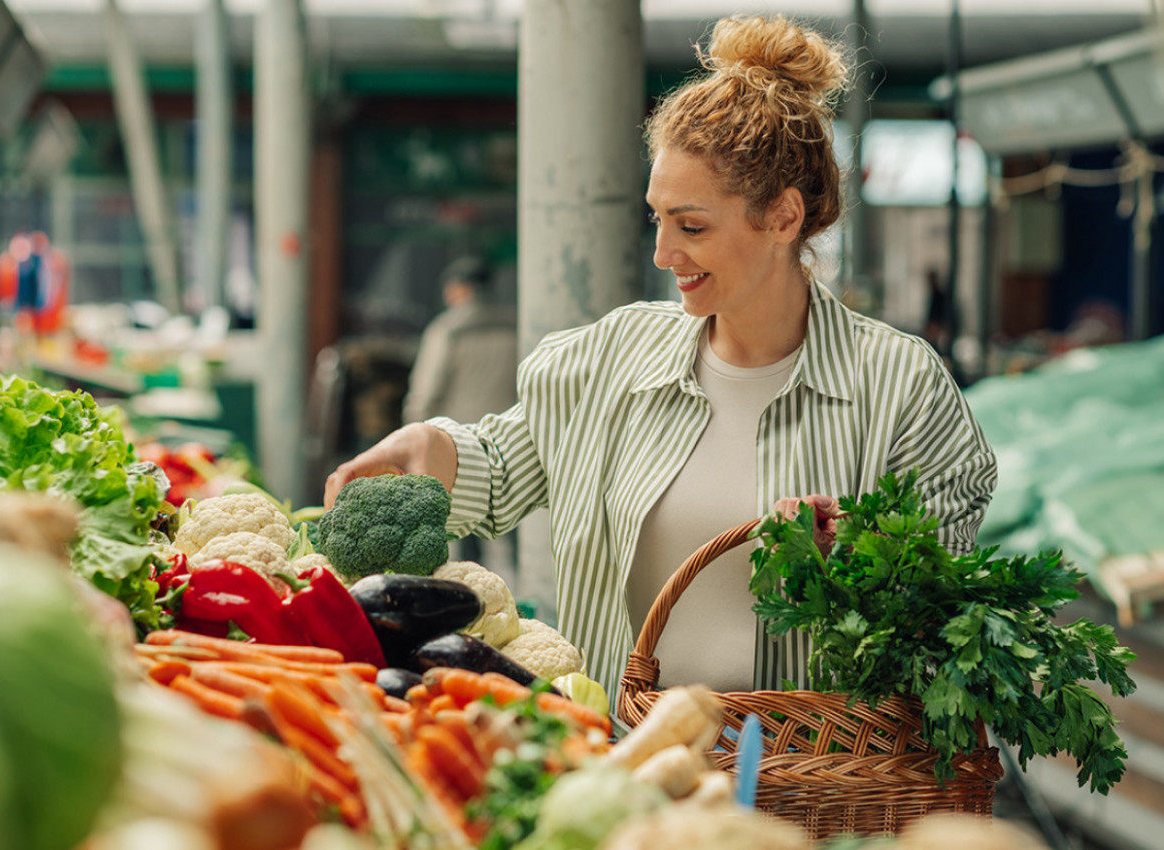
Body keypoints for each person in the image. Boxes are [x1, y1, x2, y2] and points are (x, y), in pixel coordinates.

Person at [325, 14, 997, 701]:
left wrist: (862, 553)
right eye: (657, 217)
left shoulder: (901, 388)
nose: (663, 254)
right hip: (624, 765)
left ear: (783, 218)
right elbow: (500, 467)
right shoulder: (608, 359)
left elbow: (954, 609)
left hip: (813, 787)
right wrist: (430, 447)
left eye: (692, 226)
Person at [402, 255, 520, 575]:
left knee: (468, 526)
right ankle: (521, 590)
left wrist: (413, 432)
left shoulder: (447, 330)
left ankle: (476, 593)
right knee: (513, 522)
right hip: (511, 439)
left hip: (461, 442)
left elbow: (425, 391)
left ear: (458, 289)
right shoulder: (516, 326)